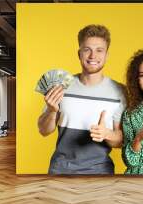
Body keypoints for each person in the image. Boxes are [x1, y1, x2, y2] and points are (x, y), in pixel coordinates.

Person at [38, 24, 126, 174]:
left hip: (101, 172)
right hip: (60, 170)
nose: (93, 56)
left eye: (99, 50)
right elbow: (43, 131)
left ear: (106, 55)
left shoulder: (120, 91)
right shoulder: (61, 86)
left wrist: (106, 134)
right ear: (79, 54)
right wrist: (52, 111)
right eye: (87, 50)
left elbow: (120, 141)